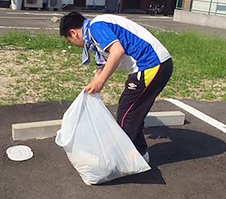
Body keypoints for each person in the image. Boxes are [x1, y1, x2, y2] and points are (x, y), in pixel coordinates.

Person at [59, 12, 173, 163]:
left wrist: (101, 83)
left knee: (127, 113)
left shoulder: (96, 27)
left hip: (151, 64)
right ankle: (139, 154)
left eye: (69, 40)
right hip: (153, 65)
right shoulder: (95, 33)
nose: (71, 44)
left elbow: (117, 51)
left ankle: (125, 158)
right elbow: (101, 66)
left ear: (74, 32)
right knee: (131, 111)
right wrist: (92, 88)